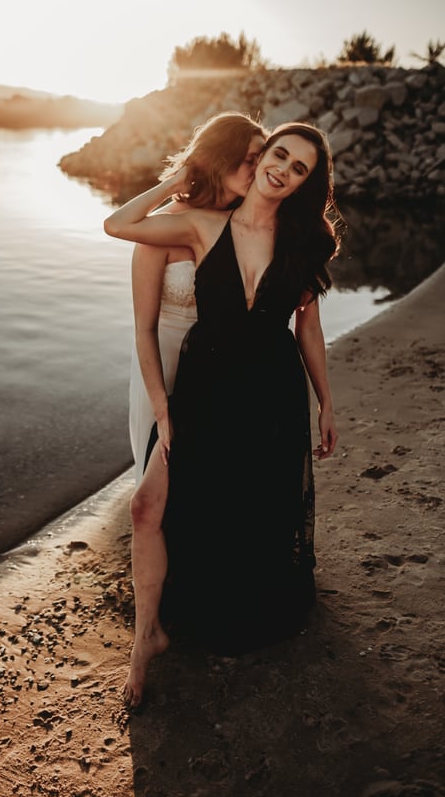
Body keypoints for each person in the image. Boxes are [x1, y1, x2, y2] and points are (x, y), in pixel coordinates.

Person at [105, 122, 340, 707]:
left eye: (299, 167)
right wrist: (183, 178)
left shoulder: (301, 239)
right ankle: (147, 638)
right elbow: (118, 225)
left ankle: (231, 602)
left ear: (306, 182)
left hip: (270, 392)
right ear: (261, 158)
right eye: (277, 154)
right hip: (205, 387)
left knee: (251, 507)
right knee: (152, 503)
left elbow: (307, 325)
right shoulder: (203, 224)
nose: (282, 168)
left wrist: (327, 400)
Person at [129, 113, 266, 484]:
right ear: (222, 156)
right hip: (166, 365)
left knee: (213, 481)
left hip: (223, 368)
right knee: (161, 486)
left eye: (261, 159)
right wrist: (162, 408)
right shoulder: (162, 226)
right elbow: (144, 328)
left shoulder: (244, 225)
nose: (258, 168)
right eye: (250, 158)